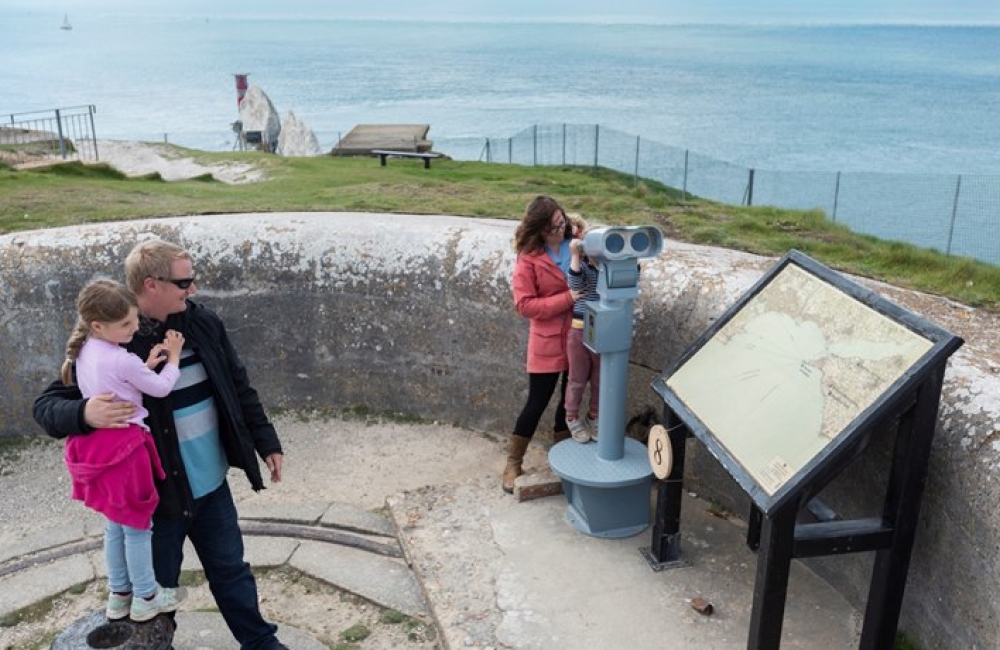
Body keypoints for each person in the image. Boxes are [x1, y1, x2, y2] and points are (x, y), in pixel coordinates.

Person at [34, 239, 288, 650]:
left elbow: (238, 386)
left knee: (231, 572)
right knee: (154, 596)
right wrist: (84, 414)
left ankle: (261, 644)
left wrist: (266, 441)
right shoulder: (114, 341)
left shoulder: (204, 324)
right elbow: (47, 406)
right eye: (184, 281)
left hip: (211, 485)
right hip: (158, 496)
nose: (193, 289)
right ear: (151, 285)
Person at [62, 279, 187, 622]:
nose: (135, 328)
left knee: (115, 524)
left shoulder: (86, 349)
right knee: (137, 527)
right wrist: (172, 359)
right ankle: (146, 595)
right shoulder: (121, 359)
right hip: (127, 450)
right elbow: (160, 389)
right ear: (99, 325)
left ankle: (119, 595)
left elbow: (118, 384)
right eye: (126, 325)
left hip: (98, 446)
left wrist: (142, 365)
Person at [505, 195, 582, 493]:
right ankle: (513, 461)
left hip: (577, 335)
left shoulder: (576, 241)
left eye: (561, 224)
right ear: (538, 229)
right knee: (536, 402)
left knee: (569, 400)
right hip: (547, 341)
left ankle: (563, 460)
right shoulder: (528, 258)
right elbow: (524, 304)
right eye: (552, 228)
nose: (559, 231)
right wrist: (567, 299)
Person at [564, 216, 601, 443]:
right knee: (577, 378)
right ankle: (572, 416)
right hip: (579, 329)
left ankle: (594, 415)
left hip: (603, 330)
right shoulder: (585, 268)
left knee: (600, 378)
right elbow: (575, 284)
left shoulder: (610, 269)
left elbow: (633, 277)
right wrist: (576, 255)